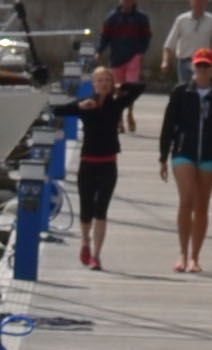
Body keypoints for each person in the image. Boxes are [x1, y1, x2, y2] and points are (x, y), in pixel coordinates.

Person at [160, 46, 212, 272]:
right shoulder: (181, 92)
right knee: (187, 199)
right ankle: (182, 253)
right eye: (199, 65)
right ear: (192, 66)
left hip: (209, 154)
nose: (202, 69)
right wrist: (163, 156)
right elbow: (168, 124)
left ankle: (195, 257)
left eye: (206, 65)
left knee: (202, 205)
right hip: (184, 151)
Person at [76, 57, 141, 265]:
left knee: (100, 209)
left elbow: (140, 87)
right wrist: (79, 105)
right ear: (93, 84)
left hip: (107, 163)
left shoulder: (116, 104)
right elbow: (61, 110)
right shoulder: (88, 105)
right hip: (87, 162)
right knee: (86, 209)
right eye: (100, 81)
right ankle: (85, 241)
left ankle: (96, 255)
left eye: (107, 80)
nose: (103, 84)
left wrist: (122, 85)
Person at [98, 0, 152, 126]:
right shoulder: (111, 17)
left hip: (133, 58)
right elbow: (104, 36)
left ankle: (130, 112)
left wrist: (140, 52)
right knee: (118, 90)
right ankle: (119, 117)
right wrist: (99, 51)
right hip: (116, 58)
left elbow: (146, 37)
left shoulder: (141, 18)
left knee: (130, 88)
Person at [160, 0, 212, 82]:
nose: (199, 4)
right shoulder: (181, 20)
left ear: (205, 2)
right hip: (184, 62)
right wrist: (165, 61)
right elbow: (169, 44)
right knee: (184, 91)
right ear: (190, 2)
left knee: (200, 90)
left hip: (203, 64)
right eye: (196, 1)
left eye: (201, 1)